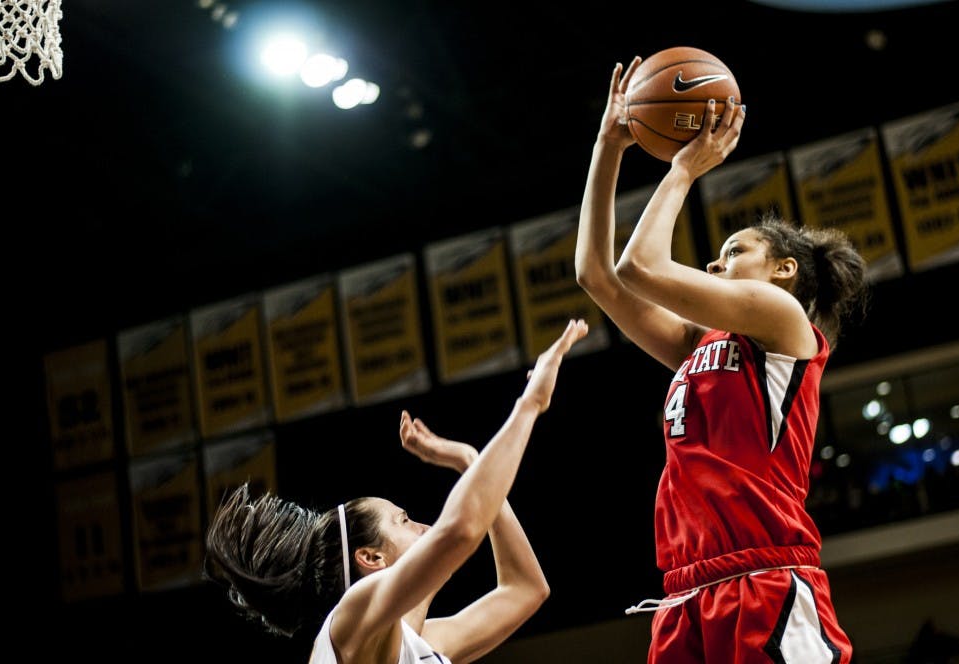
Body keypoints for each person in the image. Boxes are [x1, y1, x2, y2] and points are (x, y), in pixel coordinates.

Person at [575, 56, 867, 663]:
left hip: (765, 580)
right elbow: (597, 275)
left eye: (733, 251)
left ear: (783, 270)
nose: (713, 264)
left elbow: (641, 267)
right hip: (684, 593)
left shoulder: (785, 321)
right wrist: (610, 145)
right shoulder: (698, 345)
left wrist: (684, 169)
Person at [204, 319, 587, 664]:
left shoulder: (413, 643)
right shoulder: (350, 619)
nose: (422, 526)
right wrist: (530, 404)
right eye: (402, 520)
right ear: (371, 557)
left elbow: (525, 590)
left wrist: (471, 462)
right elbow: (460, 530)